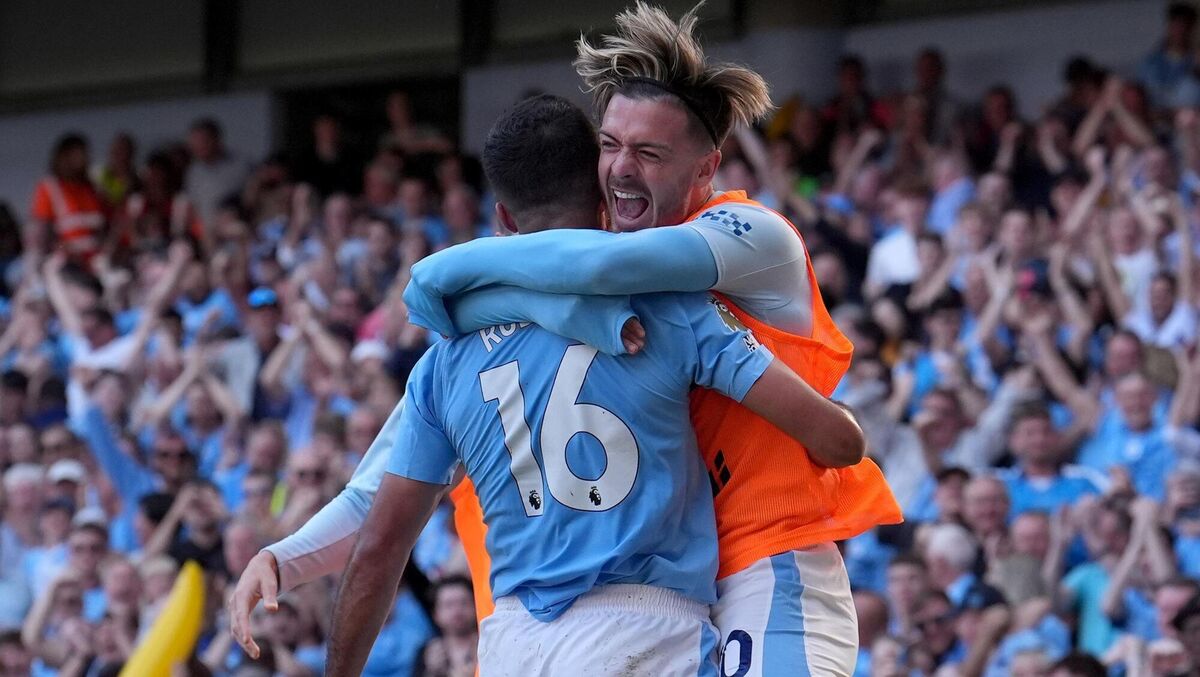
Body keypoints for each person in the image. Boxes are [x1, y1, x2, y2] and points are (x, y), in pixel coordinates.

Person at [400, 4, 900, 673]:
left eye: (649, 152)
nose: (621, 168)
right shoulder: (589, 275)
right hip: (673, 584)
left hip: (769, 554)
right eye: (609, 145)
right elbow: (394, 462)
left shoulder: (750, 234)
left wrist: (442, 276)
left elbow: (599, 267)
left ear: (706, 168)